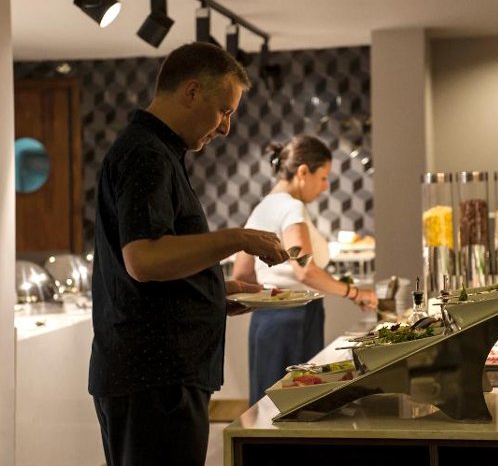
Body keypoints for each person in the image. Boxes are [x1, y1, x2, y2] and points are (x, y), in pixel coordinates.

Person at [88, 42, 288, 466]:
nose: (226, 127)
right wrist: (238, 238)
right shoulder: (146, 154)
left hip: (157, 378)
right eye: (224, 111)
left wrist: (212, 289)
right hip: (153, 378)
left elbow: (159, 257)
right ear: (192, 92)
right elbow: (144, 259)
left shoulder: (158, 152)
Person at [232, 135, 379, 404]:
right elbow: (305, 270)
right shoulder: (292, 207)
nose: (325, 187)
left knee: (266, 407)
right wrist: (355, 292)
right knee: (295, 405)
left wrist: (270, 296)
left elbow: (241, 274)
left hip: (265, 322)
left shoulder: (262, 208)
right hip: (296, 320)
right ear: (302, 172)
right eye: (323, 177)